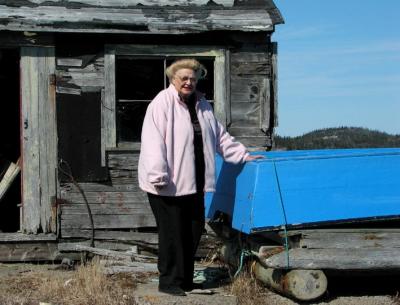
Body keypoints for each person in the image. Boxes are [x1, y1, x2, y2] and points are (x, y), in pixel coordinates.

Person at [138, 58, 262, 296]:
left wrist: (243, 155)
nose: (188, 82)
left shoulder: (202, 105)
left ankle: (185, 280)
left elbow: (219, 137)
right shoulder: (161, 104)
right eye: (183, 78)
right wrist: (157, 174)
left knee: (192, 231)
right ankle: (169, 282)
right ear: (173, 79)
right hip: (167, 183)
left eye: (193, 79)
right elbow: (153, 142)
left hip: (195, 182)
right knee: (172, 233)